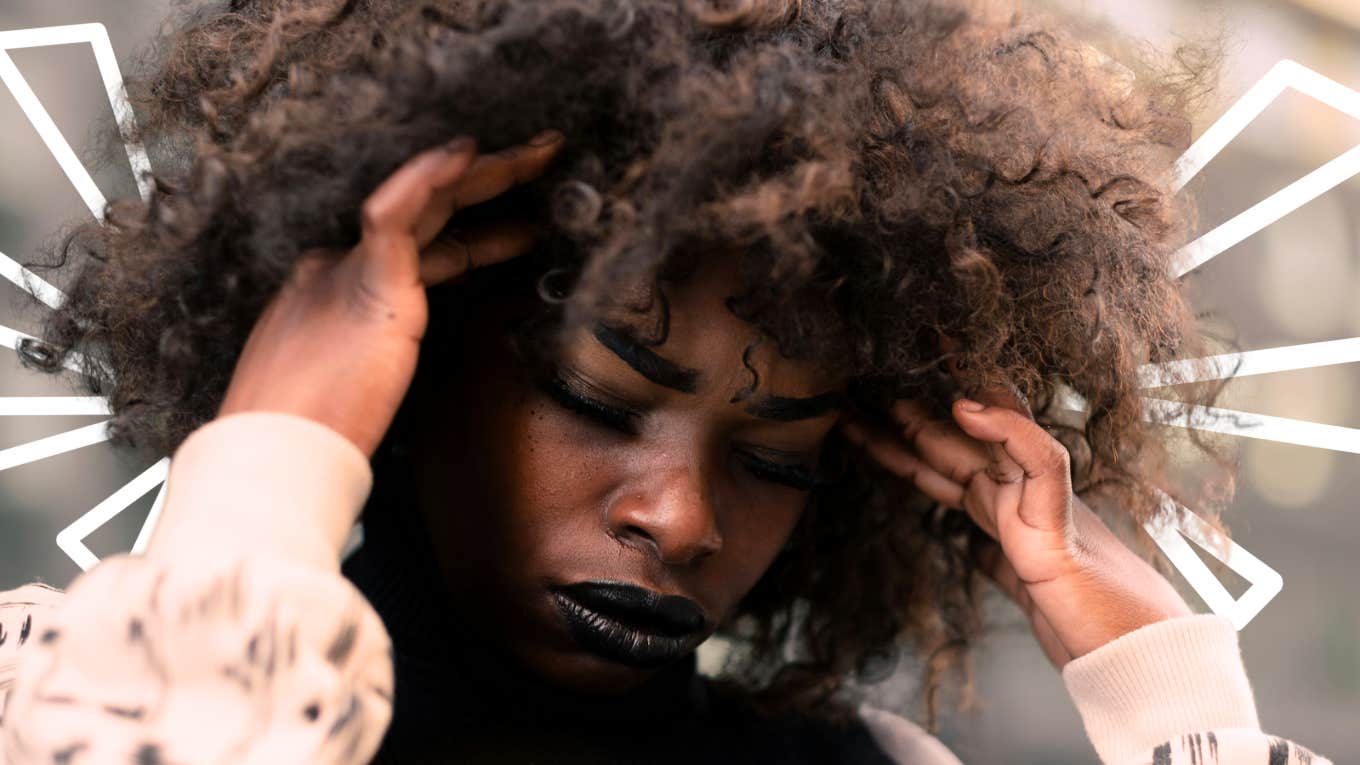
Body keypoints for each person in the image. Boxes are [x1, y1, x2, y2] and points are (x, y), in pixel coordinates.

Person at [0, 0, 1335, 762]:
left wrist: (1171, 701)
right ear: (404, 363)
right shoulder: (47, 688)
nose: (683, 517)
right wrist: (275, 447)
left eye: (776, 458)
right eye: (598, 395)